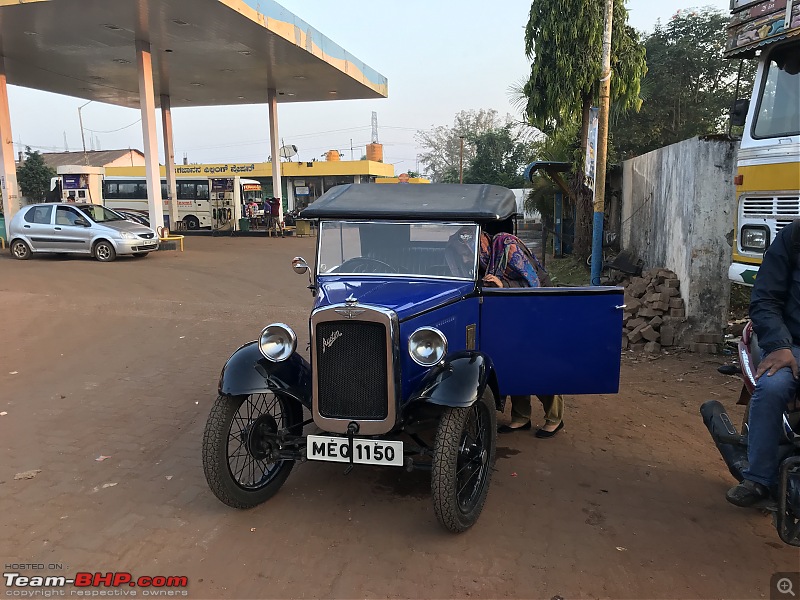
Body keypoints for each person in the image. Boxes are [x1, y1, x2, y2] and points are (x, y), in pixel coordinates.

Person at [446, 227, 565, 438]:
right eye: (461, 254)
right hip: (507, 311)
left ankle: (554, 418)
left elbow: (533, 283)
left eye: (466, 252)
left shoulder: (506, 246)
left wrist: (503, 284)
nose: (464, 258)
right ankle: (521, 417)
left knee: (536, 362)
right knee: (512, 361)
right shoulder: (483, 261)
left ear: (480, 242)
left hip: (535, 307)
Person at [726, 220, 800, 506]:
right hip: (790, 343)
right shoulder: (793, 238)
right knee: (772, 387)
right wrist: (780, 346)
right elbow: (765, 299)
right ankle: (758, 478)